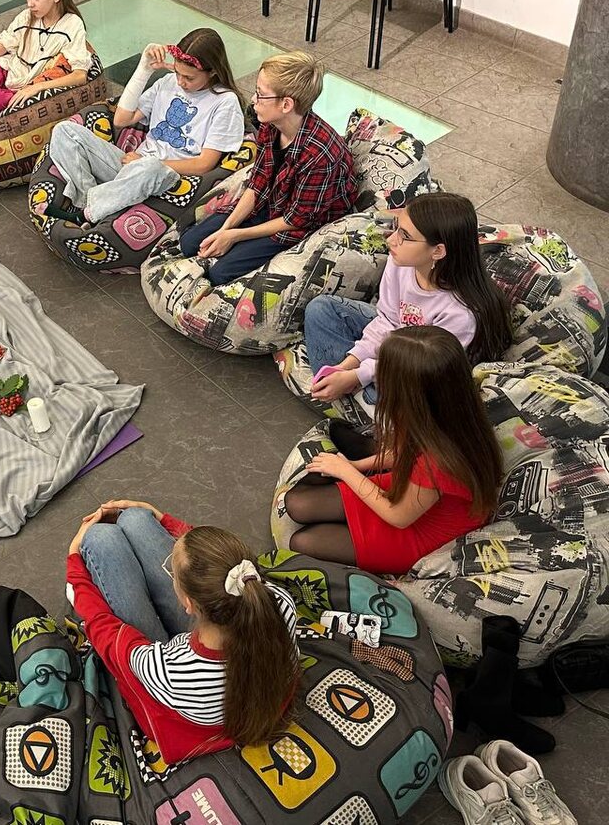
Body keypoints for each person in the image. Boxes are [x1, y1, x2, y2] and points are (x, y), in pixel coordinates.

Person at [67, 499, 300, 763]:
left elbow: (103, 628)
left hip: (179, 686)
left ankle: (113, 553)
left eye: (173, 575)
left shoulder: (168, 668)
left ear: (188, 604)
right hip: (211, 680)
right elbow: (220, 570)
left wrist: (75, 561)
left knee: (99, 538)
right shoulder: (279, 601)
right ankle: (136, 530)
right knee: (136, 518)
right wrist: (160, 518)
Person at [284, 326, 503, 576]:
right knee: (297, 504)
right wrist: (358, 466)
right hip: (414, 491)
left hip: (417, 532)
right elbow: (404, 453)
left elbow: (398, 516)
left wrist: (345, 471)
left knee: (302, 542)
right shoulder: (447, 414)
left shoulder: (437, 459)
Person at [306, 192, 512, 406]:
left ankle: (354, 397)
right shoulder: (401, 263)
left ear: (438, 251)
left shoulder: (460, 313)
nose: (391, 240)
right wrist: (348, 365)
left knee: (398, 399)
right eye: (396, 228)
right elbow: (388, 321)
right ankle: (347, 390)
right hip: (397, 343)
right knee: (320, 309)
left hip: (423, 371)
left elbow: (423, 368)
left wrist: (359, 375)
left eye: (404, 236)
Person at [178, 51, 356, 286]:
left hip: (299, 224)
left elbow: (296, 219)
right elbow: (257, 183)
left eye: (261, 95)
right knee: (189, 243)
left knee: (220, 273)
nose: (253, 99)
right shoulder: (270, 125)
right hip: (271, 203)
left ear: (286, 104)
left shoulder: (320, 156)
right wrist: (226, 229)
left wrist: (234, 236)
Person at [42, 28, 246, 225]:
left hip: (169, 181)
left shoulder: (225, 102)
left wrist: (147, 162)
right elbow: (121, 119)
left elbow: (204, 164)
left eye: (189, 78)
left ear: (213, 72)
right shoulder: (167, 82)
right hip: (130, 167)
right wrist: (144, 69)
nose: (180, 82)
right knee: (64, 131)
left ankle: (89, 213)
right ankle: (89, 205)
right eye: (177, 73)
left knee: (151, 167)